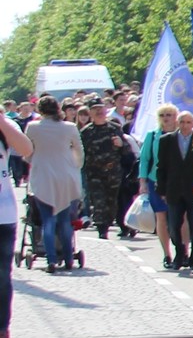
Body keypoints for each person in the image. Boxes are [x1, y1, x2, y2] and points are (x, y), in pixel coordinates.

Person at [26, 96, 84, 271]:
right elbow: (79, 150)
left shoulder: (33, 127)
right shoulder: (69, 127)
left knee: (48, 220)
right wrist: (76, 166)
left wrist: (30, 160)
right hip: (66, 176)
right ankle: (68, 258)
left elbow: (27, 150)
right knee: (65, 220)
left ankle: (51, 259)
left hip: (42, 175)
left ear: (40, 109)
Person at [157, 111, 193, 274]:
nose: (185, 125)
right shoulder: (166, 140)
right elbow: (161, 166)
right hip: (174, 190)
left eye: (188, 122)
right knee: (173, 225)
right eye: (182, 122)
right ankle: (179, 254)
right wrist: (162, 189)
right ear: (177, 123)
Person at [0, 109, 32, 338]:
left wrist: (1, 121)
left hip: (3, 214)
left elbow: (26, 149)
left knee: (2, 276)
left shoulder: (5, 126)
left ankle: (2, 329)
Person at [136, 104, 179, 269]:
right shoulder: (152, 135)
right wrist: (143, 182)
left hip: (177, 182)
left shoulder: (181, 134)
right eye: (162, 115)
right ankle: (167, 254)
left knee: (178, 217)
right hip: (156, 181)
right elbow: (145, 159)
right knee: (161, 217)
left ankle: (181, 250)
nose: (166, 118)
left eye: (169, 114)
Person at [80, 100, 129, 241]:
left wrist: (121, 144)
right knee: (98, 200)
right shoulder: (86, 132)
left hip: (113, 172)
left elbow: (127, 150)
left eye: (101, 108)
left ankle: (110, 221)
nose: (99, 112)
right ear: (90, 113)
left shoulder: (115, 128)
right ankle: (102, 228)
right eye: (95, 109)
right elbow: (81, 153)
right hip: (94, 173)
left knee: (111, 201)